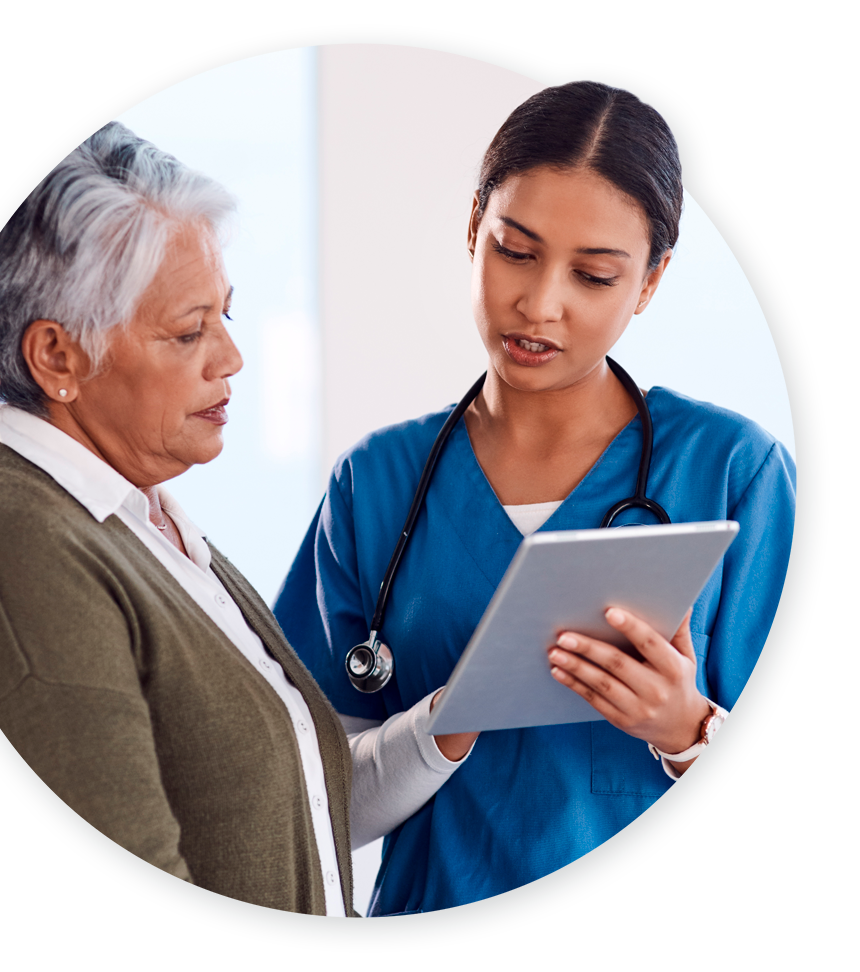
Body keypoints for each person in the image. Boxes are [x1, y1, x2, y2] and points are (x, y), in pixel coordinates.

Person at [273, 79, 797, 918]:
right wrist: (440, 725)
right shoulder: (375, 484)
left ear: (651, 282)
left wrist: (687, 728)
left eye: (593, 275)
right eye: (515, 251)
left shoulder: (734, 470)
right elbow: (313, 804)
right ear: (472, 226)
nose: (539, 303)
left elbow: (798, 807)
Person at [0, 113, 356, 918]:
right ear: (57, 356)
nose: (229, 356)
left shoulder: (144, 523)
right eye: (189, 331)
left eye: (225, 314)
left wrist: (445, 731)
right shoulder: (11, 550)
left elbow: (282, 810)